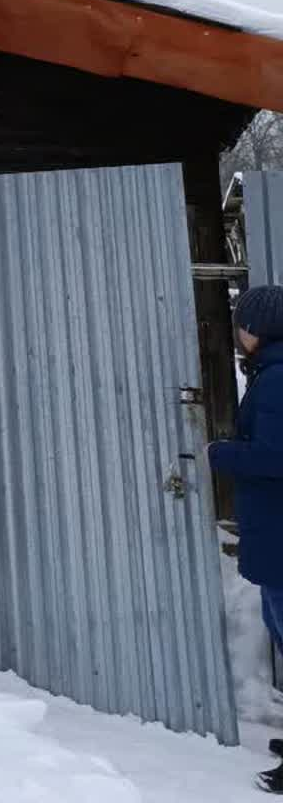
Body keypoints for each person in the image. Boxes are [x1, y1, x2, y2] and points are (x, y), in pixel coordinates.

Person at [211, 285, 283, 792]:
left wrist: (222, 453)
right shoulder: (270, 375)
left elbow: (275, 457)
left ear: (257, 328)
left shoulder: (277, 380)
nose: (237, 333)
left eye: (241, 323)